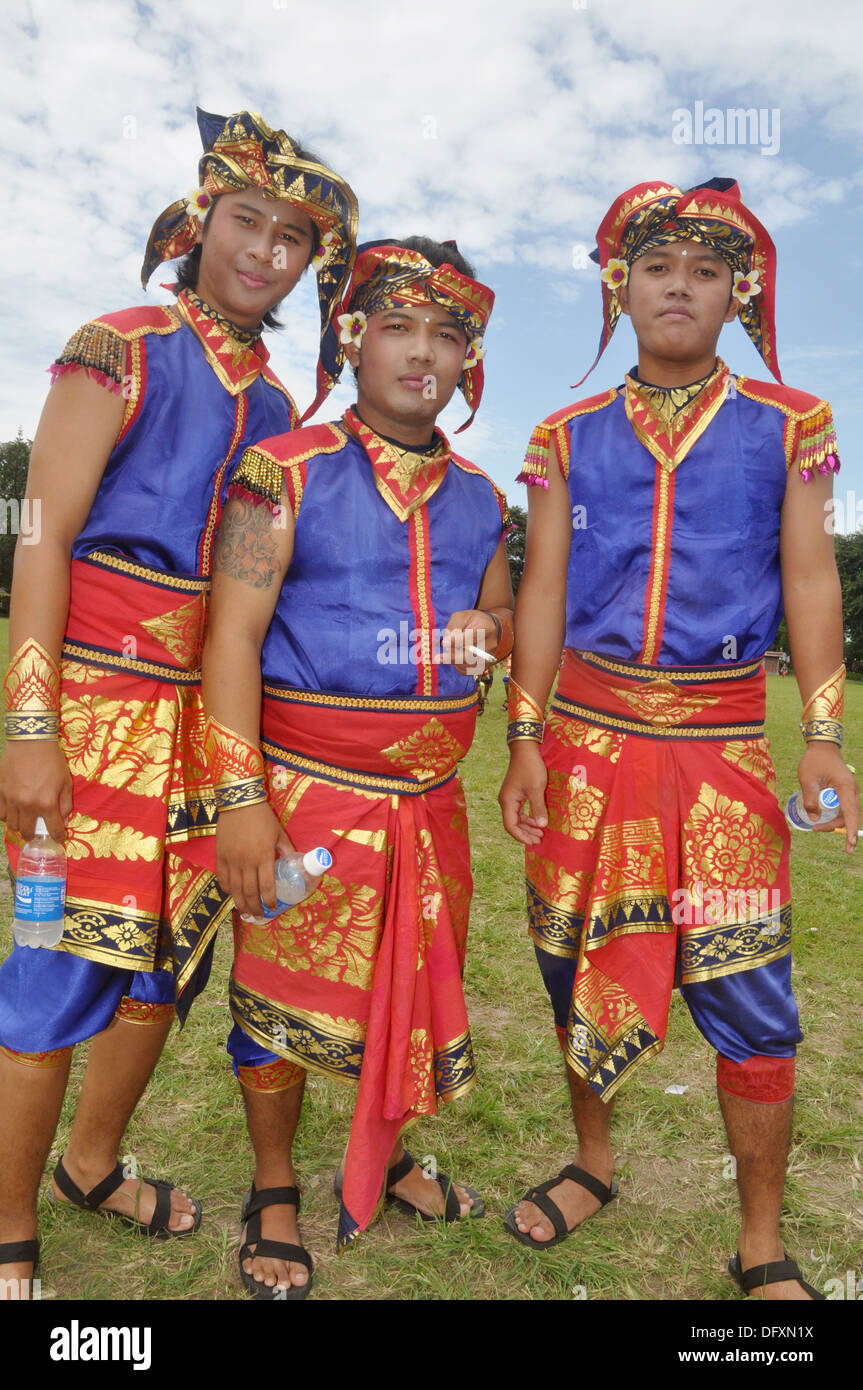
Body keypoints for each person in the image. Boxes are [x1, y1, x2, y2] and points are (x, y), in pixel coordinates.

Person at [0, 107, 357, 1297]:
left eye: (292, 239)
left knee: (168, 966)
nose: (264, 251)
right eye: (246, 220)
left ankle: (90, 1163)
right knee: (53, 965)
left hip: (208, 725)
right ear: (201, 218)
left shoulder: (284, 414)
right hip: (93, 709)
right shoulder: (121, 342)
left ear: (312, 265)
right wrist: (32, 724)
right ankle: (8, 1235)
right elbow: (40, 533)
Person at [498, 179, 859, 1300]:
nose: (678, 286)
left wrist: (820, 732)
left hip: (722, 751)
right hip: (585, 743)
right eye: (658, 266)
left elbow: (807, 576)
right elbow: (542, 592)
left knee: (748, 987)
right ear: (621, 284)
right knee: (571, 965)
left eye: (705, 271)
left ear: (734, 295)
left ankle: (757, 1236)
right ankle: (591, 1161)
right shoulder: (563, 434)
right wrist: (520, 737)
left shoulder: (789, 422)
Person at [199, 237, 514, 1297]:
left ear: (468, 357)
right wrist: (242, 803)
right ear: (352, 335)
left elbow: (501, 616)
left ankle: (394, 1159)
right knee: (276, 999)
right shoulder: (281, 470)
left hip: (431, 801)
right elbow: (231, 639)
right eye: (399, 326)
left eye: (447, 333)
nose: (422, 353)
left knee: (415, 991)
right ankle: (276, 1186)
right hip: (300, 796)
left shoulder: (480, 494)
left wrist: (490, 627)